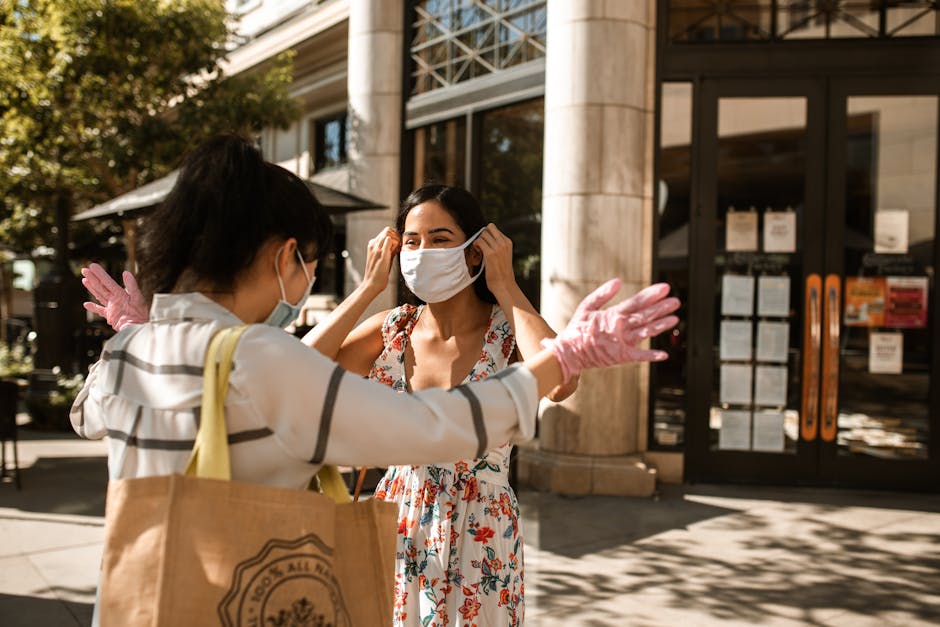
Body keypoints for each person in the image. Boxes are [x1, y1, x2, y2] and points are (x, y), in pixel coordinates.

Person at [76, 134, 680, 622]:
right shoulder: (266, 357)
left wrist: (135, 331)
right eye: (310, 261)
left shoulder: (131, 353)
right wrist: (564, 356)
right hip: (244, 594)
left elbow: (86, 415)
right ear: (283, 256)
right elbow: (431, 425)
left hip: (143, 601)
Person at [298, 184, 576, 626]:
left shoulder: (509, 333)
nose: (423, 251)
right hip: (398, 521)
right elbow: (297, 371)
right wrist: (369, 287)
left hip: (482, 531)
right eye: (412, 241)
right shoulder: (392, 329)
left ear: (474, 252)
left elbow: (563, 382)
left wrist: (506, 285)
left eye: (440, 239)